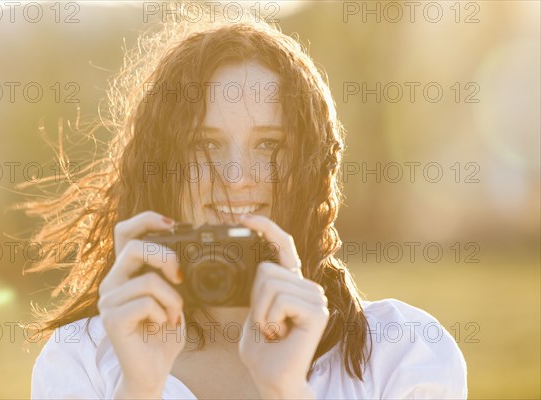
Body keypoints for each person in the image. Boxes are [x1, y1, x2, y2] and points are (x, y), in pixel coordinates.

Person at [27, 7, 467, 400]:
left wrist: (285, 390)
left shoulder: (404, 352)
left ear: (311, 168)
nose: (237, 179)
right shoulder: (81, 358)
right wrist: (139, 389)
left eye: (270, 145)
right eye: (205, 144)